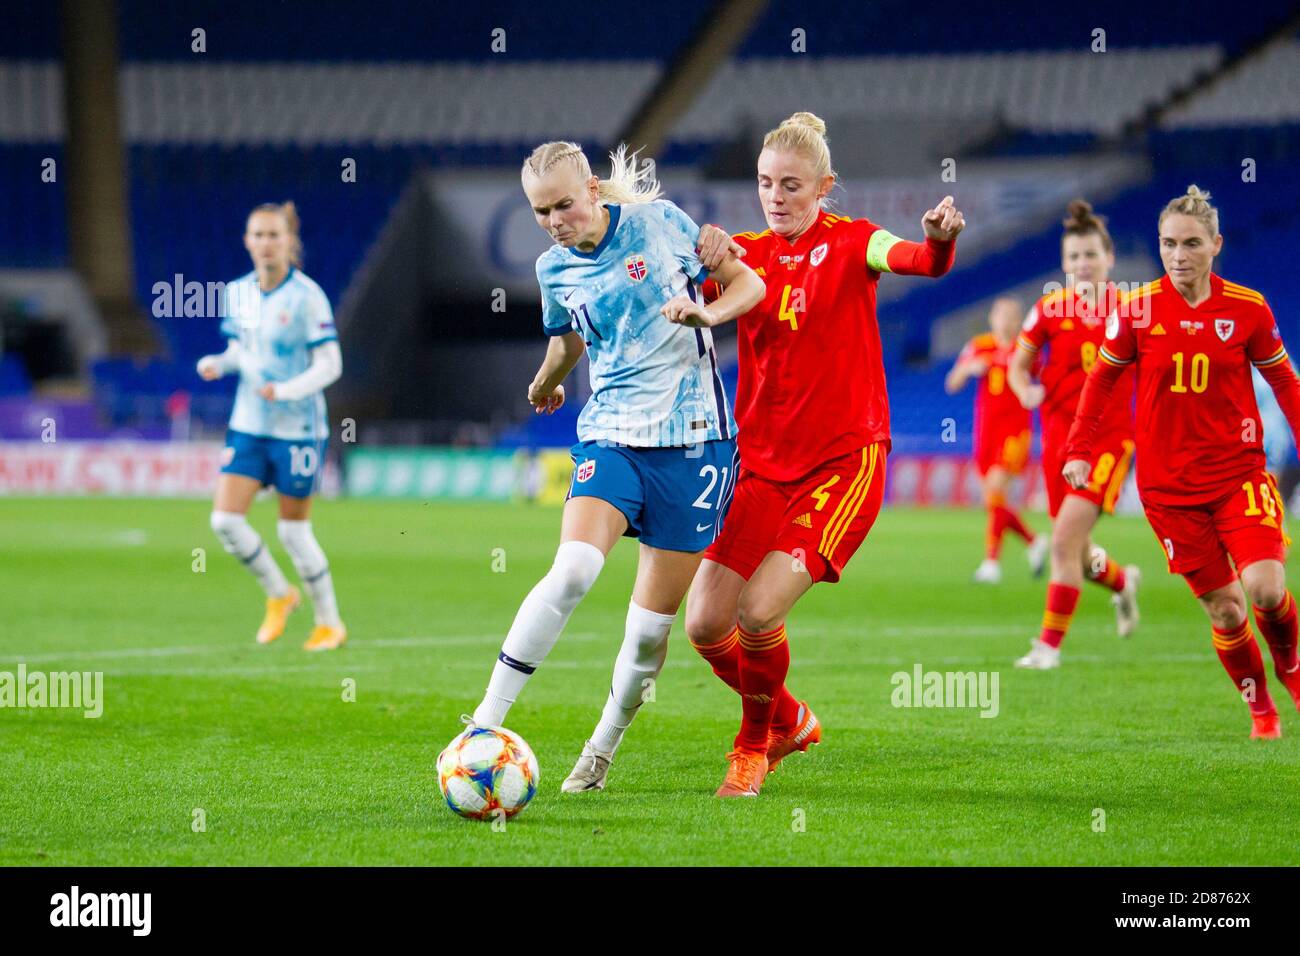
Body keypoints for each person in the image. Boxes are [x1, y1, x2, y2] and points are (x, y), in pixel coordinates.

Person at [466, 141, 765, 791]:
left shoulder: (660, 227)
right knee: (573, 568)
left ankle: (602, 747)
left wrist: (706, 311)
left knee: (646, 635)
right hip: (613, 437)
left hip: (695, 445)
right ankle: (484, 724)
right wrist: (546, 382)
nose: (553, 220)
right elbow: (568, 335)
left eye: (564, 204)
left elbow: (749, 282)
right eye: (540, 211)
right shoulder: (553, 270)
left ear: (594, 191)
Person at [684, 112, 965, 797]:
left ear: (824, 186)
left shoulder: (853, 242)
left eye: (791, 185)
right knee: (703, 624)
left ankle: (753, 746)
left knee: (757, 613)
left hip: (844, 463)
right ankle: (789, 719)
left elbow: (913, 260)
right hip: (761, 468)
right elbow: (676, 288)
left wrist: (937, 244)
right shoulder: (743, 256)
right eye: (764, 184)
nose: (776, 197)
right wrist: (697, 255)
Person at [1064, 186, 1300, 738]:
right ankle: (1259, 705)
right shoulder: (1137, 309)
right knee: (1227, 612)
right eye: (1169, 243)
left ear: (1215, 245)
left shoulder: (1247, 308)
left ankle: (1291, 665)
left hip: (1239, 475)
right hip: (1169, 491)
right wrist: (1078, 449)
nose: (1178, 256)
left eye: (1191, 244)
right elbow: (1100, 384)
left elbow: (1285, 383)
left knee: (1265, 589)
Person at [197, 201, 346, 651]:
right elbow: (242, 351)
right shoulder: (238, 292)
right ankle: (280, 594)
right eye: (257, 235)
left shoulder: (307, 296)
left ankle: (329, 623)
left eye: (273, 235)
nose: (265, 243)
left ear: (288, 242)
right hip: (249, 424)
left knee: (293, 532)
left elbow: (331, 364)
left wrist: (287, 391)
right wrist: (219, 363)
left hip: (298, 428)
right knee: (225, 520)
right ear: (246, 241)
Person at [1008, 199, 1141, 669]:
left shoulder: (1132, 311)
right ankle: (1124, 583)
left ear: (1109, 259)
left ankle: (1048, 648)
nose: (1083, 265)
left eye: (1091, 255)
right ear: (1064, 265)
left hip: (1108, 442)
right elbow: (1017, 367)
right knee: (1079, 554)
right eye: (1074, 258)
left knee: (1062, 542)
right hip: (1058, 445)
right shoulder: (1047, 309)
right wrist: (1024, 390)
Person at [945, 295, 1047, 585]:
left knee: (995, 488)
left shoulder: (1027, 349)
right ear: (992, 318)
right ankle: (1034, 541)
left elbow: (1042, 380)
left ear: (1019, 320)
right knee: (993, 499)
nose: (1006, 321)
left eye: (1012, 315)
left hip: (1016, 432)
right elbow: (951, 383)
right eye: (1001, 315)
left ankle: (991, 563)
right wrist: (968, 369)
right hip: (985, 433)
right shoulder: (979, 346)